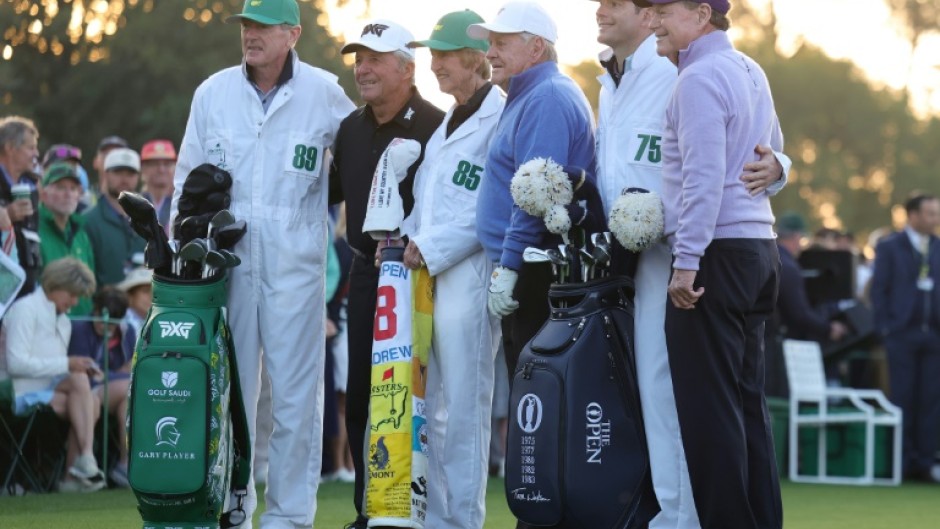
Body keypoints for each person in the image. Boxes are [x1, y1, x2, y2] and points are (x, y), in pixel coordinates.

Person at [590, 1, 791, 527]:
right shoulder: (750, 67)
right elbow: (773, 151)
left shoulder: (696, 78)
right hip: (758, 249)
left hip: (716, 254)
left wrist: (685, 264)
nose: (654, 20)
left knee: (708, 414)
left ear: (703, 15)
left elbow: (703, 179)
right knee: (748, 411)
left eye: (666, 12)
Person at [170, 0, 354, 526]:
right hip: (226, 266)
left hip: (298, 269)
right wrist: (186, 241)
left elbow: (361, 152)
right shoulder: (213, 92)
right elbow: (187, 178)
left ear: (292, 33)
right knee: (229, 395)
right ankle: (233, 507)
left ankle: (290, 517)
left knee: (297, 401)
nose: (250, 35)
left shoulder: (323, 93)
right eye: (246, 25)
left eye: (263, 27)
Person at [329, 17, 444, 529]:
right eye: (359, 59)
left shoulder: (438, 124)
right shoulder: (350, 129)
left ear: (406, 67)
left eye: (374, 59)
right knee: (362, 394)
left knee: (421, 394)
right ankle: (369, 510)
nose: (363, 69)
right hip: (366, 273)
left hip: (422, 277)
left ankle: (421, 508)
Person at [401, 11, 503, 529]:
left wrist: (430, 245)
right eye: (432, 53)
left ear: (474, 59)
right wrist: (405, 237)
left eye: (443, 54)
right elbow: (428, 202)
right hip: (428, 278)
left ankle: (463, 521)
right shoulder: (447, 121)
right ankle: (434, 518)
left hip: (471, 273)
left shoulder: (500, 114)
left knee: (464, 411)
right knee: (429, 406)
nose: (434, 63)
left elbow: (492, 206)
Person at [467, 1, 595, 376]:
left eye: (501, 44)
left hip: (537, 269)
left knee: (536, 393)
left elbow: (536, 194)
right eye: (490, 43)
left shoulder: (546, 98)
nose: (490, 53)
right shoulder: (531, 94)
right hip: (530, 264)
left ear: (536, 47)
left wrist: (510, 266)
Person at [0, 257, 102, 493]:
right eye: (72, 294)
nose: (75, 302)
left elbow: (53, 368)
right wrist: (67, 363)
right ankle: (82, 465)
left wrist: (73, 365)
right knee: (83, 390)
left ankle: (75, 474)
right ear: (55, 285)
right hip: (13, 389)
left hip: (45, 389)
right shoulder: (25, 309)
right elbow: (16, 365)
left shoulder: (64, 322)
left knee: (90, 396)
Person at [870, 193, 940, 483]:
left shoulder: (937, 246)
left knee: (931, 401)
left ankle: (924, 463)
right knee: (902, 398)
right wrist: (886, 327)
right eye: (930, 213)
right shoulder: (889, 247)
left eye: (937, 213)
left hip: (934, 334)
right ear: (912, 215)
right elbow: (879, 290)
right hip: (901, 334)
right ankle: (900, 462)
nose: (935, 219)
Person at [67, 286, 137, 488]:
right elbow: (85, 371)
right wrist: (117, 373)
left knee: (130, 396)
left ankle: (124, 466)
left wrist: (112, 374)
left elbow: (130, 368)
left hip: (111, 389)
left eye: (111, 324)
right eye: (100, 318)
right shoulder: (81, 328)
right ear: (95, 310)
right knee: (130, 387)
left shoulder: (128, 331)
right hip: (86, 388)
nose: (104, 326)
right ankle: (76, 473)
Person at [37, 163, 96, 316]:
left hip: (82, 324)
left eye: (73, 188)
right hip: (47, 324)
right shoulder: (33, 231)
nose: (68, 194)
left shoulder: (81, 234)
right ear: (43, 194)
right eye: (61, 187)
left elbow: (91, 282)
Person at [83, 147, 145, 287]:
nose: (124, 179)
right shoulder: (88, 221)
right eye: (118, 172)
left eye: (130, 173)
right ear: (105, 174)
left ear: (138, 177)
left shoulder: (148, 220)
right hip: (103, 305)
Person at [0, 116, 42, 298]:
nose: (36, 154)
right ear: (10, 148)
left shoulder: (32, 185)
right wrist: (6, 214)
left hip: (27, 287)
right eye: (30, 148)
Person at [139, 139, 177, 230]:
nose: (161, 169)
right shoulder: (134, 205)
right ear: (143, 168)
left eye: (167, 164)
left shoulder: (181, 204)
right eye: (154, 164)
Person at [117, 266, 153, 334]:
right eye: (145, 291)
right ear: (129, 296)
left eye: (155, 292)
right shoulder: (119, 324)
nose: (152, 296)